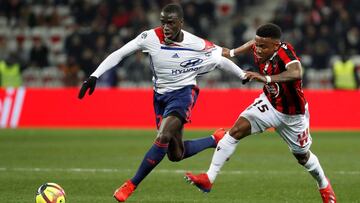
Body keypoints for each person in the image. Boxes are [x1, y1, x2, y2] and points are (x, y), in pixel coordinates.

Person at [78, 3, 247, 202]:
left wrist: (242, 74)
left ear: (181, 23)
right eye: (163, 22)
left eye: (171, 23)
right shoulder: (150, 37)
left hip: (184, 93)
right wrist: (94, 75)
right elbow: (120, 53)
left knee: (163, 135)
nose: (166, 27)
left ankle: (131, 184)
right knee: (176, 154)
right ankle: (215, 138)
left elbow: (220, 59)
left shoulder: (197, 44)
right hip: (160, 96)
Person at [184, 23, 337, 203]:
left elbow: (296, 73)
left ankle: (323, 184)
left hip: (293, 115)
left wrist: (265, 78)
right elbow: (252, 43)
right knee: (235, 131)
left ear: (275, 45)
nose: (258, 49)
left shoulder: (284, 51)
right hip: (269, 103)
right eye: (257, 44)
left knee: (302, 156)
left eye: (263, 46)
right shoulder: (259, 47)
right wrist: (233, 52)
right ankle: (209, 178)